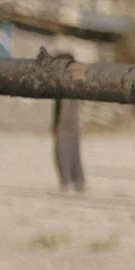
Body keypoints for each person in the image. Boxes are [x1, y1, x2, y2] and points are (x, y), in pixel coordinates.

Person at [51, 57, 85, 193]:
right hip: (74, 123)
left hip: (65, 124)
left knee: (63, 154)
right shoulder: (80, 81)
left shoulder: (62, 84)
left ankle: (66, 182)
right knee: (75, 154)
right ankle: (79, 182)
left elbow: (57, 108)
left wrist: (55, 126)